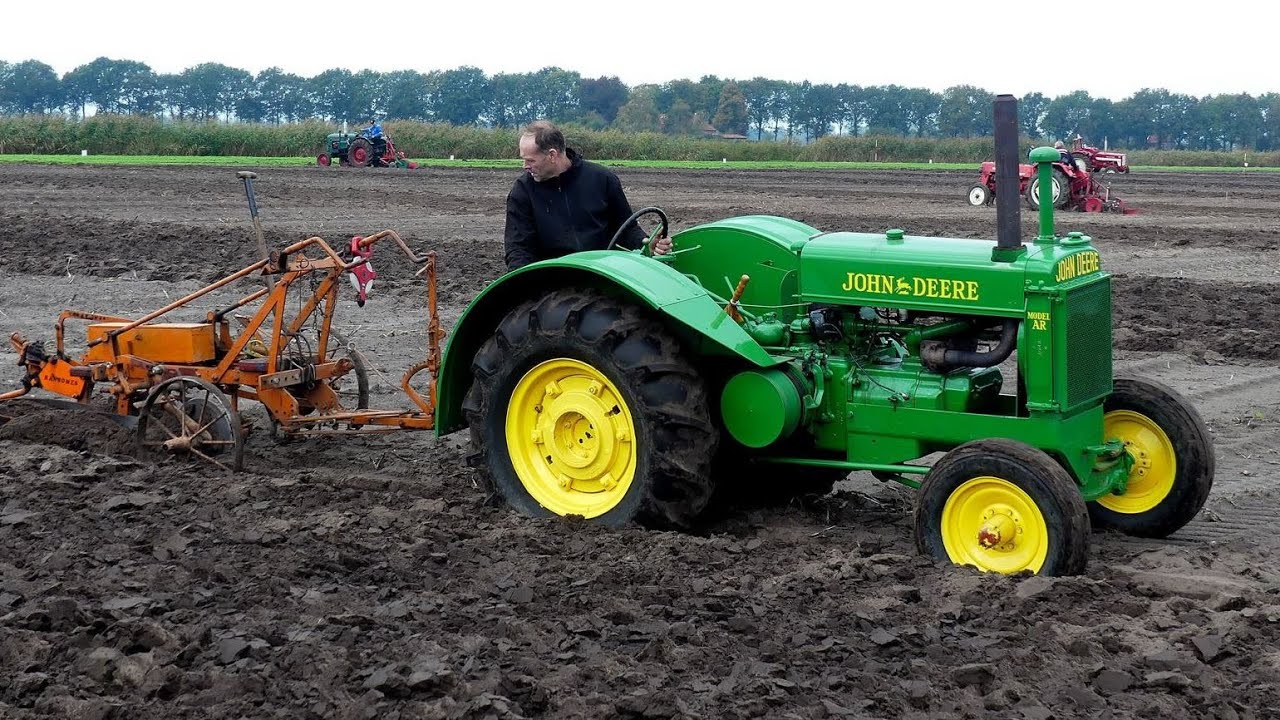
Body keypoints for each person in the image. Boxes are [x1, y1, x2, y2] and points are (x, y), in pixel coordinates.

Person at [504, 120, 671, 271]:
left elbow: (626, 229)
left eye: (530, 160)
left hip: (604, 274)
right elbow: (518, 248)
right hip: (553, 280)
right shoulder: (522, 191)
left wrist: (647, 244)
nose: (525, 166)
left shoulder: (602, 179)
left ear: (552, 155)